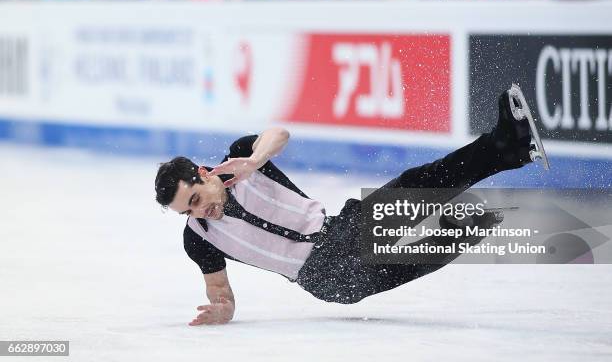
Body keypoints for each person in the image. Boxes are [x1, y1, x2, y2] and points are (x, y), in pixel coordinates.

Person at [154, 86, 548, 325]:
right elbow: (220, 291)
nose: (197, 212)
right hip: (325, 280)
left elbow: (279, 133)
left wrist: (255, 161)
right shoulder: (198, 240)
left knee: (416, 185)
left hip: (342, 229)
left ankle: (508, 146)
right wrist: (222, 310)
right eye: (186, 212)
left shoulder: (243, 159)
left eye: (194, 200)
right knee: (426, 250)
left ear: (204, 174)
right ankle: (496, 178)